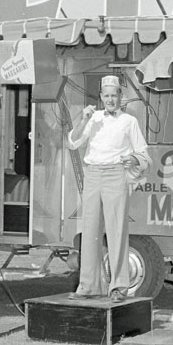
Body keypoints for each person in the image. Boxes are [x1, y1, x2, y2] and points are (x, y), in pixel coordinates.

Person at [66, 75, 151, 302]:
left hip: (116, 174)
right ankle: (88, 286)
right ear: (101, 97)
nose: (110, 99)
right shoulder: (92, 118)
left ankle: (119, 287)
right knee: (90, 231)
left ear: (120, 97)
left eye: (114, 95)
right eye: (107, 96)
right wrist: (83, 120)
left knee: (117, 231)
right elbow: (72, 142)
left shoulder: (129, 121)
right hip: (92, 174)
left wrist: (133, 160)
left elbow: (143, 154)